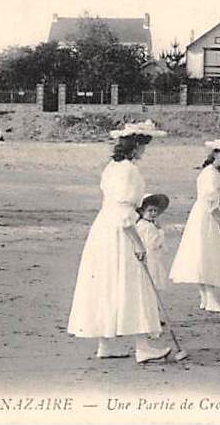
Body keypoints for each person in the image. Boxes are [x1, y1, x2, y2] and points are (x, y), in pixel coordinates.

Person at [67, 120, 172, 363]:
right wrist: (137, 242)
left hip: (103, 230)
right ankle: (143, 347)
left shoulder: (112, 167)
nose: (144, 151)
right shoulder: (129, 171)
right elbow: (125, 214)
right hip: (119, 233)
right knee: (131, 285)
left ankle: (105, 345)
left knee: (108, 285)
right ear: (135, 147)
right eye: (143, 146)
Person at [169, 137, 220, 313]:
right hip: (207, 216)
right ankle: (210, 300)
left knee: (204, 255)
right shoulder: (209, 174)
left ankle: (206, 298)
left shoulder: (217, 173)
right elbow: (211, 203)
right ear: (215, 154)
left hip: (207, 215)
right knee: (207, 255)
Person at [135, 193, 170, 290]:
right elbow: (152, 243)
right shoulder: (143, 225)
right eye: (150, 210)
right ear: (142, 211)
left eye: (155, 211)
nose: (153, 213)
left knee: (155, 280)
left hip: (155, 256)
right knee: (149, 280)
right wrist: (160, 233)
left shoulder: (153, 224)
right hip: (149, 256)